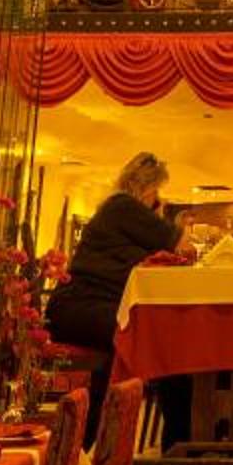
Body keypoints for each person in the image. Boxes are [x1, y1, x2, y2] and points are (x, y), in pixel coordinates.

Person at [45, 152, 182, 446]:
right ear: (148, 188)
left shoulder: (118, 212)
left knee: (142, 341)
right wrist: (160, 213)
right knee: (135, 338)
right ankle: (87, 443)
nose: (157, 200)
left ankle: (86, 443)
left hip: (85, 307)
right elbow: (181, 243)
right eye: (156, 192)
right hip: (80, 307)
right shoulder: (123, 206)